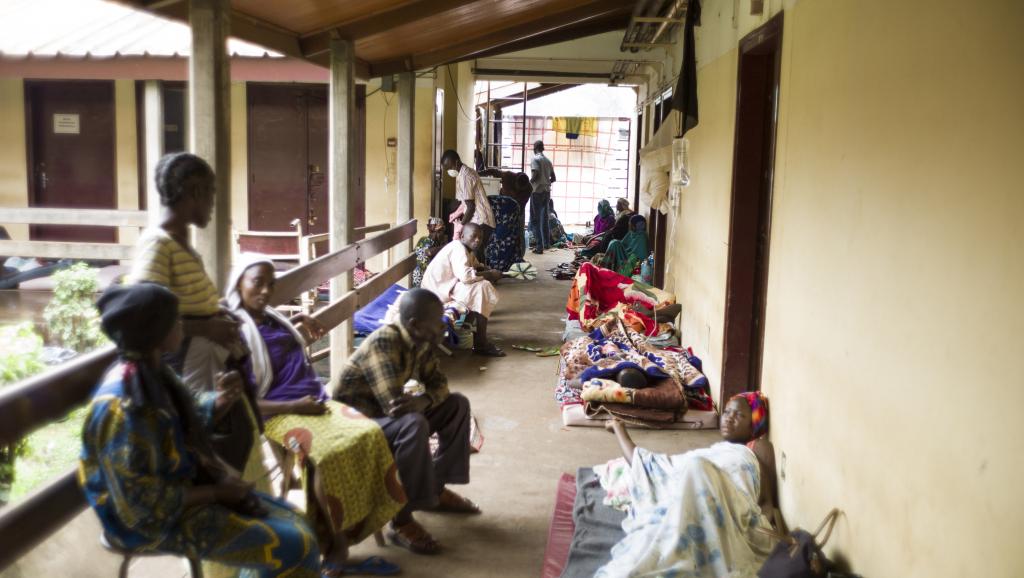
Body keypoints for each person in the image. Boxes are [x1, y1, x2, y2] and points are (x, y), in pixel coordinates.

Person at [79, 283, 322, 577]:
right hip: (145, 523)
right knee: (294, 546)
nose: (182, 324)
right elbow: (138, 507)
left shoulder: (153, 372)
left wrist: (218, 401)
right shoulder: (120, 407)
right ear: (155, 332)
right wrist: (217, 492)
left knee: (299, 522)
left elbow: (186, 413)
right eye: (175, 319)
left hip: (180, 493)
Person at [226, 255, 406, 577]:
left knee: (369, 434)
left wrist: (295, 325)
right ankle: (336, 544)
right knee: (327, 454)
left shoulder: (270, 319)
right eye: (257, 282)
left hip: (314, 401)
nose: (266, 290)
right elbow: (244, 402)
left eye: (271, 283)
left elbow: (274, 349)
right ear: (238, 283)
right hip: (278, 413)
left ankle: (369, 522)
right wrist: (295, 408)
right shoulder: (233, 334)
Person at [333, 288, 480, 556]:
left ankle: (433, 491)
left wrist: (424, 401)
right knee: (413, 425)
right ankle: (401, 520)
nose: (442, 327)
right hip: (356, 425)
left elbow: (439, 384)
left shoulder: (421, 342)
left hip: (384, 415)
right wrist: (420, 403)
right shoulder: (384, 343)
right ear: (414, 325)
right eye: (437, 323)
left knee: (457, 405)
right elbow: (395, 407)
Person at [595, 391, 779, 577]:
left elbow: (764, 505)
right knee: (692, 469)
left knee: (696, 467)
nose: (729, 418)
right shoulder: (715, 452)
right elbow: (658, 468)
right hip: (693, 496)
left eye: (738, 415)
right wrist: (619, 429)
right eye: (727, 412)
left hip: (727, 508)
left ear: (753, 425)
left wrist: (761, 529)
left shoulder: (753, 453)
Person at [420, 222, 505, 357]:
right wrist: (489, 275)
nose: (477, 240)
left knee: (480, 286)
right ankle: (480, 343)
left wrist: (488, 270)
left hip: (446, 288)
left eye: (480, 237)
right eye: (473, 236)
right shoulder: (458, 248)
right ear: (462, 236)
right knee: (482, 288)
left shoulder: (466, 249)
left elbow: (476, 266)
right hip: (435, 295)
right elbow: (466, 276)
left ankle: (469, 329)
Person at [441, 149, 495, 264]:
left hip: (481, 221)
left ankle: (482, 279)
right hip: (477, 220)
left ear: (456, 162)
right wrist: (456, 214)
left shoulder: (466, 176)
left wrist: (460, 226)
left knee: (475, 257)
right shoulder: (461, 174)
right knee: (474, 257)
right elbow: (465, 202)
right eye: (447, 169)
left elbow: (470, 207)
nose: (449, 171)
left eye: (450, 167)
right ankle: (480, 278)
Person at [480, 168, 532, 259]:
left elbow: (521, 206)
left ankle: (519, 256)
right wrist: (479, 174)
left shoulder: (529, 189)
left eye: (521, 189)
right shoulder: (507, 176)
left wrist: (515, 219)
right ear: (515, 180)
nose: (518, 190)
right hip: (501, 208)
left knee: (518, 232)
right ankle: (496, 254)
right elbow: (493, 171)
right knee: (498, 231)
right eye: (517, 187)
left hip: (517, 210)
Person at [529, 140, 556, 254]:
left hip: (537, 192)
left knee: (535, 220)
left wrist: (529, 183)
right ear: (543, 148)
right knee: (544, 219)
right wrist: (546, 182)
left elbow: (535, 174)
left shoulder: (535, 159)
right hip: (546, 192)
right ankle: (547, 243)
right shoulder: (548, 161)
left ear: (535, 148)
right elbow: (553, 178)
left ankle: (539, 247)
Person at [413, 217, 448, 287]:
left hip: (422, 280)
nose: (443, 234)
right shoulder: (426, 241)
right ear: (436, 232)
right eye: (441, 231)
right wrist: (446, 246)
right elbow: (429, 252)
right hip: (423, 282)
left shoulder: (425, 240)